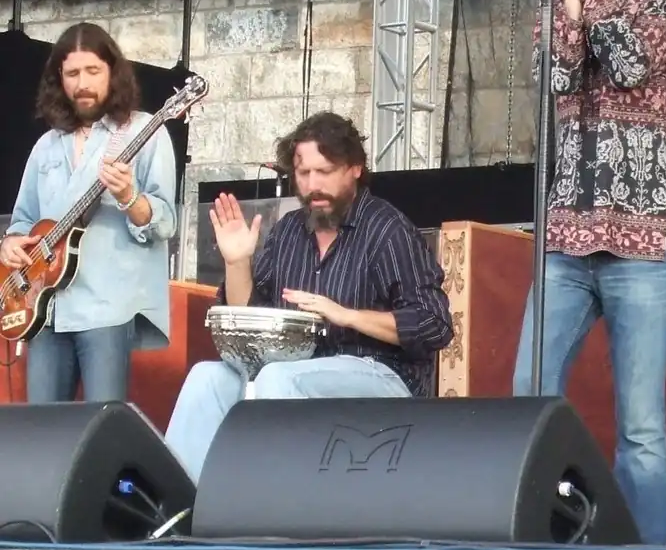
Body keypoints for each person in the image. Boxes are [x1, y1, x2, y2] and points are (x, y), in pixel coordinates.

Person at [512, 0, 666, 545]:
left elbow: (628, 63)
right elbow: (558, 73)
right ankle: (538, 533)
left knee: (641, 428)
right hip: (564, 237)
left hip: (642, 245)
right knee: (527, 395)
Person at [165, 111, 453, 483]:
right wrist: (237, 263)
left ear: (354, 169)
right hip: (289, 370)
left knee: (277, 380)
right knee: (207, 377)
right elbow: (252, 319)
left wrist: (346, 315)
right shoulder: (287, 232)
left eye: (325, 172)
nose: (313, 185)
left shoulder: (387, 230)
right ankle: (178, 513)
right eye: (303, 174)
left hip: (382, 376)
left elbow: (434, 324)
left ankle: (270, 508)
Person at [0, 22, 177, 403]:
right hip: (46, 308)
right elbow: (22, 221)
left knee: (101, 426)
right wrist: (11, 244)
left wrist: (130, 197)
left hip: (108, 307)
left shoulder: (146, 132)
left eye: (93, 71)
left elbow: (165, 222)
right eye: (72, 73)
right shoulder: (46, 146)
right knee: (43, 431)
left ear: (113, 72)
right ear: (58, 80)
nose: (83, 83)